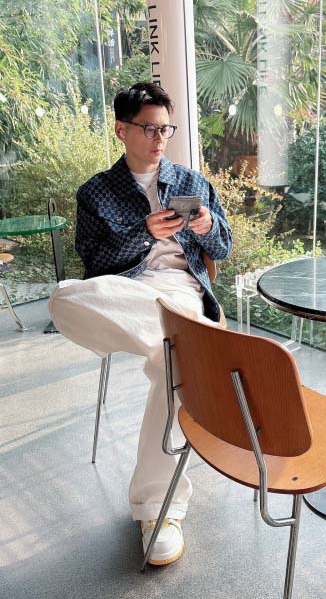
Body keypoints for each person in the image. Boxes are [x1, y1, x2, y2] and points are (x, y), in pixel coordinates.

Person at [49, 82, 232, 565]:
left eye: (166, 129)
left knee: (173, 368)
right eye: (149, 128)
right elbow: (95, 264)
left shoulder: (191, 182)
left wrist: (207, 227)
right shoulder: (96, 192)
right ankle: (186, 343)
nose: (159, 138)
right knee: (64, 297)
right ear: (121, 130)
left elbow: (224, 248)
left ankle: (159, 509)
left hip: (180, 289)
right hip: (125, 291)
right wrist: (143, 234)